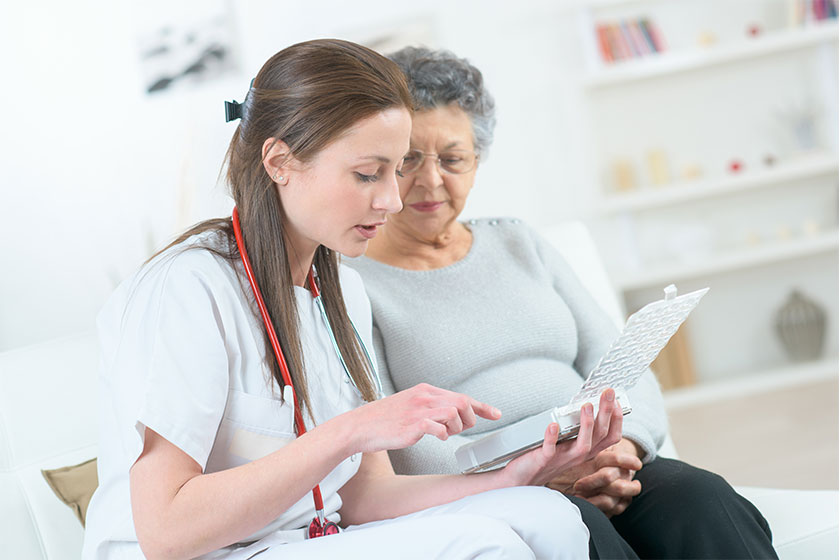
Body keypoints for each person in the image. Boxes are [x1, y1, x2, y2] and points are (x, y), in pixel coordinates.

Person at [81, 39, 627, 560]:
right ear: (279, 162)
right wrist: (352, 430)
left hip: (311, 540)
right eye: (368, 174)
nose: (392, 200)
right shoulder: (188, 288)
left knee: (551, 515)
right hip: (212, 553)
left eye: (395, 170)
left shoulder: (341, 291)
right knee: (488, 547)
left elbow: (365, 498)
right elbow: (166, 532)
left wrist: (514, 476)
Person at [347, 46, 778, 560]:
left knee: (704, 500)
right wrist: (530, 473)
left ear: (477, 161)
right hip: (498, 490)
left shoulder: (519, 241)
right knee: (579, 530)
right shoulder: (354, 283)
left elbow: (625, 363)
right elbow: (397, 442)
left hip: (600, 456)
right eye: (409, 160)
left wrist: (621, 449)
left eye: (453, 159)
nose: (431, 180)